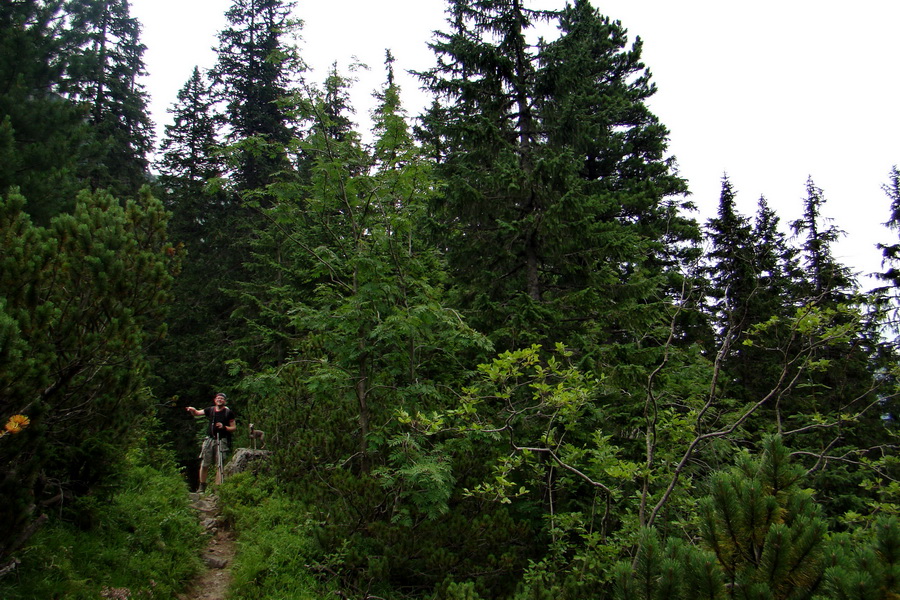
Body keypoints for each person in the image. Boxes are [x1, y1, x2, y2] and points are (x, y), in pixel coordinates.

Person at [186, 393, 236, 493]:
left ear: (225, 401)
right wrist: (192, 410)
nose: (220, 400)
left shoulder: (228, 412)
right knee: (204, 464)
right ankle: (202, 486)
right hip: (209, 439)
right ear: (215, 400)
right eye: (218, 398)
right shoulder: (211, 410)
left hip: (221, 440)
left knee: (219, 464)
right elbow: (197, 413)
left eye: (222, 399)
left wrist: (224, 427)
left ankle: (217, 488)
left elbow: (234, 427)